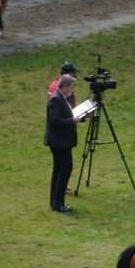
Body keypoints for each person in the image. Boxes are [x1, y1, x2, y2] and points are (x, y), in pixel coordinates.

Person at [44, 75, 83, 212]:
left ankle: (55, 201)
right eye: (72, 86)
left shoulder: (62, 98)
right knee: (65, 169)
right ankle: (58, 202)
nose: (73, 89)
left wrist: (81, 118)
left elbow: (66, 115)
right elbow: (54, 120)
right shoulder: (56, 99)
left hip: (61, 140)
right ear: (65, 86)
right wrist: (72, 121)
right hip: (59, 141)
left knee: (58, 169)